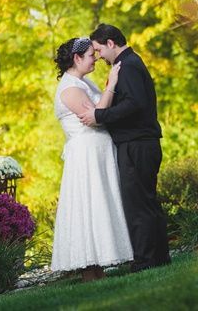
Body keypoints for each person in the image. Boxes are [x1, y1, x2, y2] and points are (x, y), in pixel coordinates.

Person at [78, 24, 170, 272]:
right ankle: (159, 257)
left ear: (110, 43)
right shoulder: (130, 63)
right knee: (147, 202)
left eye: (99, 50)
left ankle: (145, 261)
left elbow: (134, 104)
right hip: (143, 143)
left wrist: (99, 116)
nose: (98, 56)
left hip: (136, 144)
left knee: (137, 205)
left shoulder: (127, 66)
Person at [51, 37, 133, 281]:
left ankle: (99, 270)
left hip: (97, 154)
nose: (95, 59)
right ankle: (90, 271)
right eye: (90, 55)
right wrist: (112, 83)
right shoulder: (70, 89)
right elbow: (97, 116)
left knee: (101, 205)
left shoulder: (82, 82)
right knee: (90, 207)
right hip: (86, 157)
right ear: (76, 58)